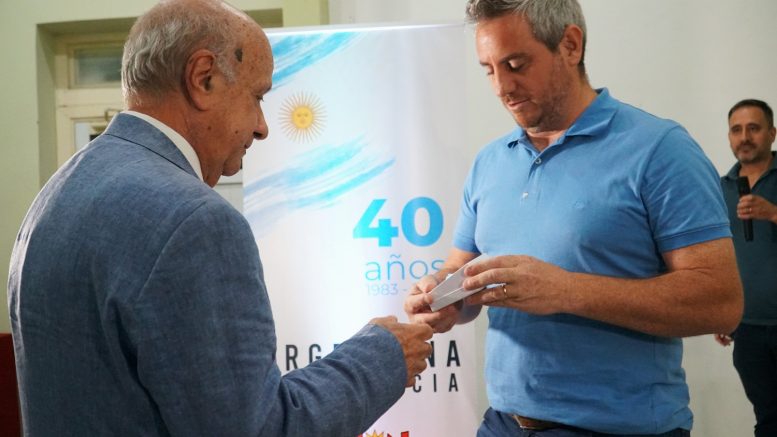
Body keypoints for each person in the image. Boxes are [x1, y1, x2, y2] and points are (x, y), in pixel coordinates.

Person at [7, 0, 433, 435]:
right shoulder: (196, 223)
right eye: (257, 96)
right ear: (203, 78)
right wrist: (383, 356)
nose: (262, 126)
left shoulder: (54, 197)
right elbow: (261, 430)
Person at [404, 0, 743, 435]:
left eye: (515, 64)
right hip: (503, 422)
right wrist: (442, 296)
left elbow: (721, 303)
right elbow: (462, 271)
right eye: (489, 69)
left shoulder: (661, 150)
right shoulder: (489, 162)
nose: (502, 87)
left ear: (570, 45)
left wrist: (566, 290)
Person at [714, 99, 777, 437]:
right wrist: (721, 307)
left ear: (772, 133)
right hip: (748, 326)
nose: (745, 137)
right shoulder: (720, 188)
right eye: (736, 130)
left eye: (753, 128)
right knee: (768, 419)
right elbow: (721, 252)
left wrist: (774, 213)